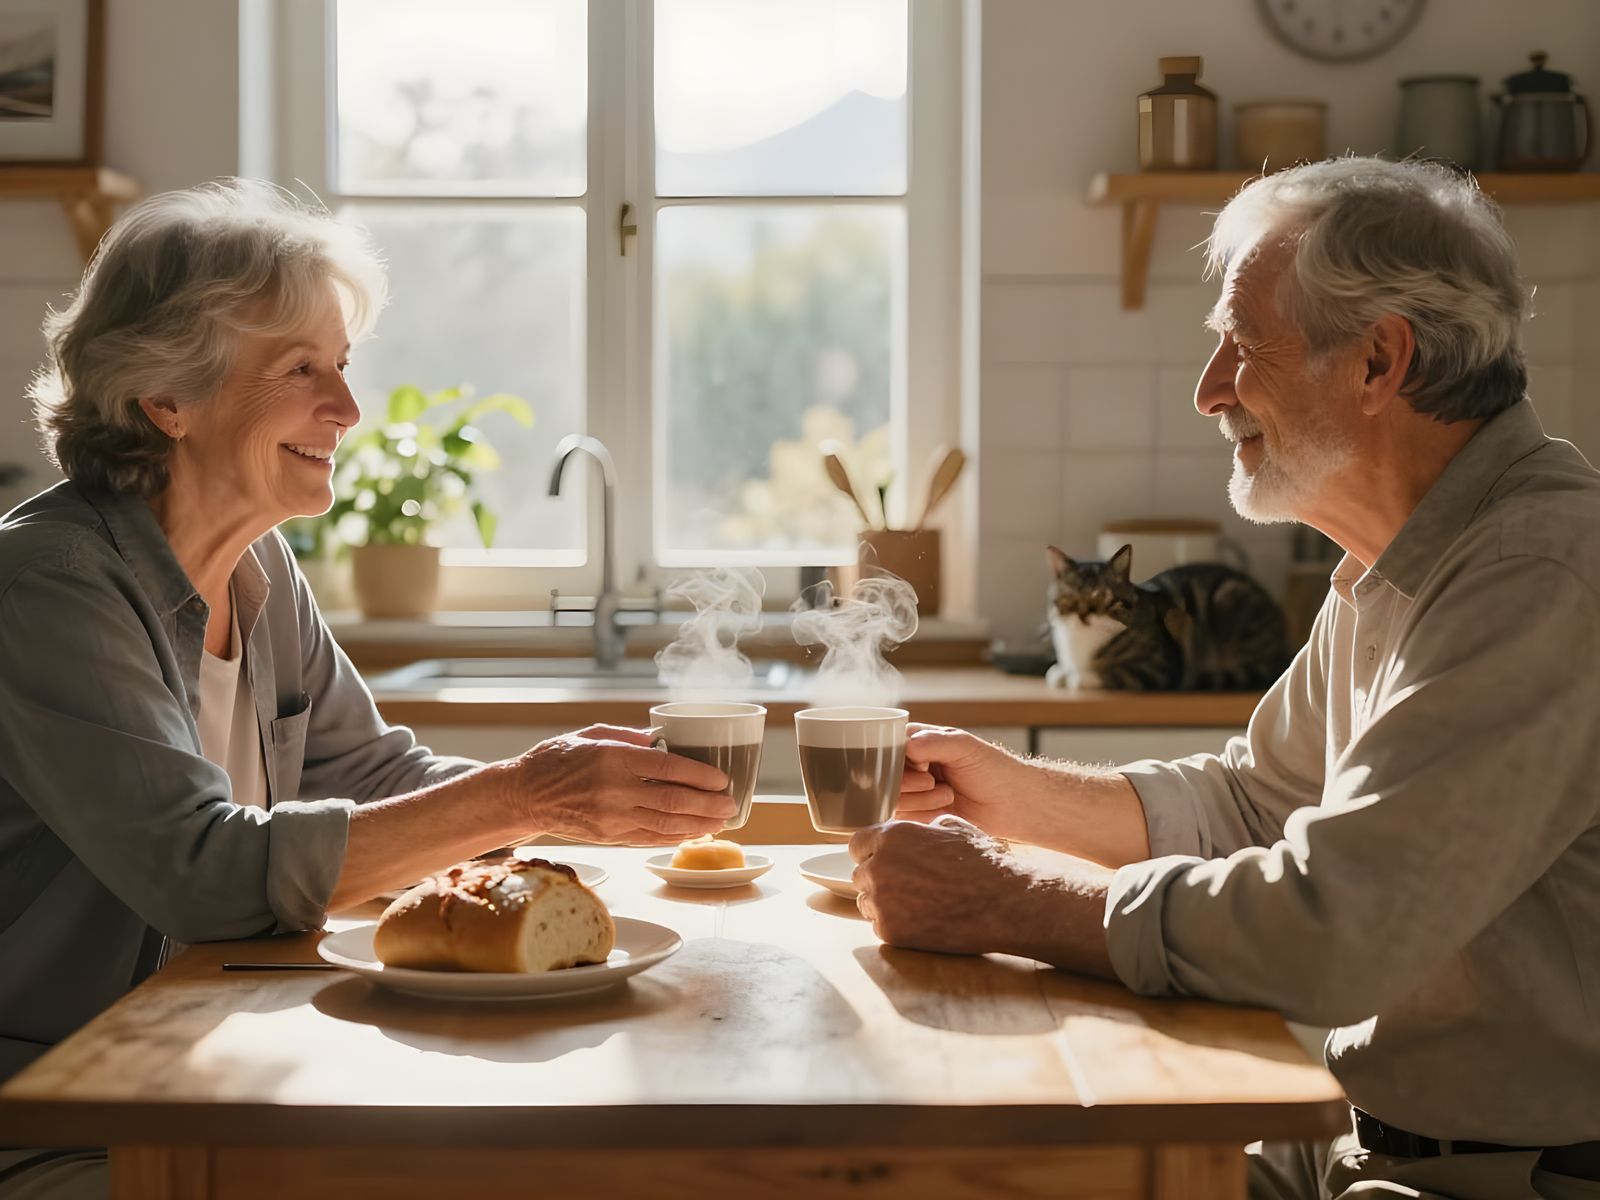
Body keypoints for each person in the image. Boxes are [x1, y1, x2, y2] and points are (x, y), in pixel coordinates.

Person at [852, 157, 1600, 1200]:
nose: (1207, 391)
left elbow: (1337, 925)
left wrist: (1005, 900)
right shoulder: (1409, 556)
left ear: (1379, 362)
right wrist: (1010, 794)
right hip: (1369, 1143)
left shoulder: (1538, 570)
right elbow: (1253, 803)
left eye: (1240, 348)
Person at [0, 181, 734, 1197]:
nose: (346, 409)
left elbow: (376, 774)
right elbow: (198, 873)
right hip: (70, 1116)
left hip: (217, 1063)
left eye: (341, 366)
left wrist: (586, 807)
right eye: (300, 369)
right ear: (166, 398)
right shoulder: (51, 583)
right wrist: (525, 795)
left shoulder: (260, 570)